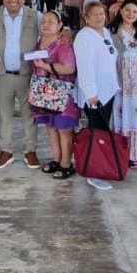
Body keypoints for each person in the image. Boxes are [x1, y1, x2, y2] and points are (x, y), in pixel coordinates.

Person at [0, 0, 42, 170]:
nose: (13, 0)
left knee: (29, 116)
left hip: (27, 74)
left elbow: (52, 29)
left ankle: (30, 151)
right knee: (4, 115)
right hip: (3, 75)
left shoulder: (35, 16)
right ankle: (5, 151)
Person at [74, 1, 118, 189]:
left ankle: (101, 166)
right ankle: (94, 171)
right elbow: (85, 68)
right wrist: (91, 93)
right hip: (95, 94)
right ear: (86, 17)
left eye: (102, 13)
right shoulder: (84, 37)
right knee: (97, 132)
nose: (100, 17)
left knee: (102, 131)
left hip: (108, 90)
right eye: (95, 14)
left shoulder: (105, 32)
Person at [30, 10, 78, 179]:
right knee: (51, 128)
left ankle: (66, 164)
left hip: (61, 93)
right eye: (43, 21)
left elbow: (69, 68)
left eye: (51, 21)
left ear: (59, 26)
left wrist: (46, 67)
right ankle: (56, 160)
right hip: (43, 92)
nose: (46, 24)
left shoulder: (63, 44)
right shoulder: (39, 42)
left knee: (64, 129)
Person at [109, 0, 137, 169]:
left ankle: (136, 154)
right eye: (127, 10)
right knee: (123, 114)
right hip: (121, 80)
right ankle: (121, 153)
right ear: (121, 11)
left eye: (135, 12)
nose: (131, 14)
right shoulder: (112, 32)